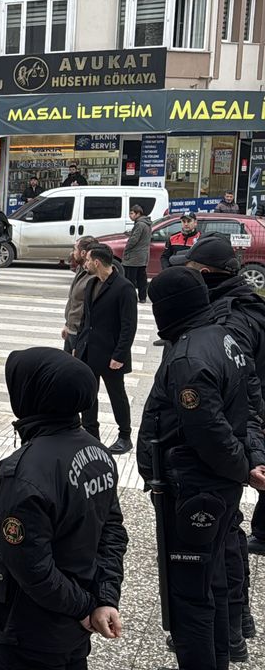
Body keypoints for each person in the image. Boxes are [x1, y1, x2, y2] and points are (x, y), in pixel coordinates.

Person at [0, 347, 127, 670]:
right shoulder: (98, 453)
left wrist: (85, 607)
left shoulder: (22, 473)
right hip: (74, 621)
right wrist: (104, 597)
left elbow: (31, 566)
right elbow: (113, 532)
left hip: (27, 628)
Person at [139, 266, 265, 669]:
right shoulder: (224, 338)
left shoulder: (189, 357)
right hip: (216, 486)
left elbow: (209, 432)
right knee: (212, 581)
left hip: (193, 487)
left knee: (189, 598)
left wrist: (243, 467)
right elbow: (251, 406)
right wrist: (251, 460)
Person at [174, 236, 265, 648]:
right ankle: (236, 624)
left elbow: (242, 391)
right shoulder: (247, 305)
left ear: (208, 275)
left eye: (193, 271)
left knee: (222, 537)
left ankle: (231, 627)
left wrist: (245, 459)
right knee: (227, 533)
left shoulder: (231, 321)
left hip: (233, 439)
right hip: (243, 433)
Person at [73, 245, 137, 455]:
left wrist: (119, 355)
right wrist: (77, 346)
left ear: (97, 262)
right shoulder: (92, 283)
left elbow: (129, 326)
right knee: (88, 395)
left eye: (88, 260)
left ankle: (125, 436)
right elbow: (85, 319)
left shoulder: (124, 288)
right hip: (88, 351)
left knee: (117, 395)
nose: (85, 263)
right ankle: (91, 434)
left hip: (111, 354)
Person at [61, 236, 98, 354]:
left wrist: (81, 340)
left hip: (79, 333)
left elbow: (89, 310)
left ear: (83, 253)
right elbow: (73, 301)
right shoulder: (80, 269)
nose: (73, 253)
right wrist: (67, 324)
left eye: (75, 249)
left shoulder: (93, 276)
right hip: (71, 329)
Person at [121, 205, 152, 304]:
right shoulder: (147, 223)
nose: (130, 216)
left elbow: (134, 239)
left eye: (132, 213)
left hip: (134, 257)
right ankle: (142, 297)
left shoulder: (139, 224)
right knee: (141, 278)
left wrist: (126, 248)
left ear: (138, 213)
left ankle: (130, 297)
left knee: (130, 279)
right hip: (143, 256)